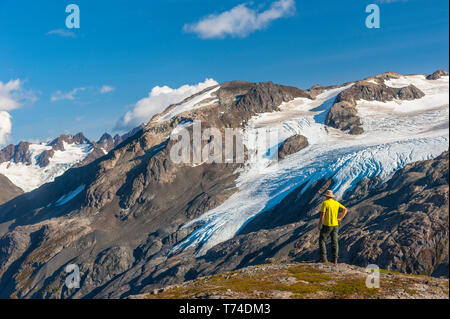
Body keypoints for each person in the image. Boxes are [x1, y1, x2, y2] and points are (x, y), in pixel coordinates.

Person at [317, 190, 348, 264]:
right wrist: (340, 218)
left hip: (327, 225)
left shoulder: (325, 203)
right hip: (335, 225)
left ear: (327, 196)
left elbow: (323, 214)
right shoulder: (336, 203)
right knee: (334, 242)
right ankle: (335, 259)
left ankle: (323, 258)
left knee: (322, 240)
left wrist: (320, 223)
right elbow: (345, 209)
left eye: (325, 196)